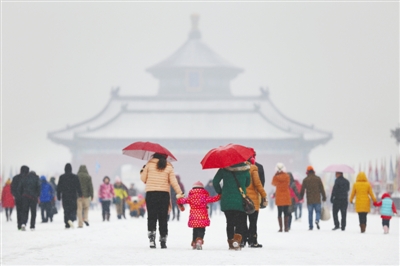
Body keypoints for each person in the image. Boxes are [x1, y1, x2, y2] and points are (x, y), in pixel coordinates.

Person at [140, 153, 184, 249]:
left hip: (151, 194)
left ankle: (152, 239)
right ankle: (163, 239)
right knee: (163, 218)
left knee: (151, 216)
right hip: (163, 195)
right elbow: (174, 182)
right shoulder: (168, 167)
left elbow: (143, 179)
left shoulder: (149, 164)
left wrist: (143, 170)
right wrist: (180, 193)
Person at [213, 162, 250, 251]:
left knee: (229, 222)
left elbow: (215, 182)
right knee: (240, 222)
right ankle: (237, 241)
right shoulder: (245, 170)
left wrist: (220, 191)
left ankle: (231, 243)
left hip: (227, 200)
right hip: (240, 200)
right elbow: (248, 183)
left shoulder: (224, 169)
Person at [177, 181, 221, 250]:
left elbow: (181, 201)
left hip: (194, 217)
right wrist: (220, 195)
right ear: (203, 189)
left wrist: (179, 198)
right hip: (202, 217)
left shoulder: (191, 197)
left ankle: (194, 242)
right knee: (202, 230)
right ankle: (199, 241)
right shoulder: (204, 197)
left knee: (195, 230)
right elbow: (214, 199)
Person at [245, 160, 267, 247]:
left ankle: (243, 239)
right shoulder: (254, 168)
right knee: (253, 221)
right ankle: (253, 240)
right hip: (253, 199)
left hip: (243, 198)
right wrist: (263, 195)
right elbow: (258, 184)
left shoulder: (239, 169)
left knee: (242, 221)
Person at [300, 166, 327, 231]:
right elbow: (322, 189)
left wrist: (301, 197)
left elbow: (302, 190)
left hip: (310, 200)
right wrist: (324, 197)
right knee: (318, 211)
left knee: (310, 213)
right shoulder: (318, 179)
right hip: (317, 199)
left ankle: (311, 226)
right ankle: (317, 220)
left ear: (307, 172)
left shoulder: (305, 180)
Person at [57, 163, 82, 229]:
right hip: (73, 196)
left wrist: (58, 196)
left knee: (66, 210)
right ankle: (71, 218)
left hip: (65, 196)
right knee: (73, 208)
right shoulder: (75, 177)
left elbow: (59, 188)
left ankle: (67, 223)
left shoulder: (61, 177)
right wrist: (80, 194)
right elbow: (78, 186)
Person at [271, 163, 291, 232]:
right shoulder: (287, 176)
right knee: (286, 213)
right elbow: (288, 183)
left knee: (279, 213)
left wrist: (276, 174)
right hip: (286, 196)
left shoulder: (276, 177)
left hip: (279, 196)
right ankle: (286, 228)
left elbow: (273, 183)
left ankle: (280, 228)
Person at [11, 165, 29, 230]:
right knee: (25, 211)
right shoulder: (27, 178)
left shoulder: (15, 178)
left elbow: (12, 188)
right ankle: (24, 222)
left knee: (19, 211)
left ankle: (19, 224)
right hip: (26, 197)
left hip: (18, 198)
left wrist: (15, 195)